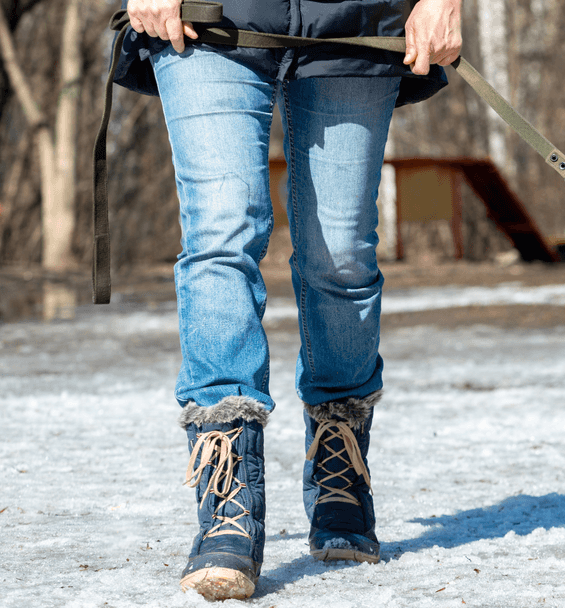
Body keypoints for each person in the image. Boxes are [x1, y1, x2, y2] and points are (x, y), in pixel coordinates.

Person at [115, 0, 462, 600]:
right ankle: (227, 493)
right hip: (208, 19)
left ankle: (339, 457)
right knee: (220, 237)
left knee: (341, 256)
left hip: (354, 22)